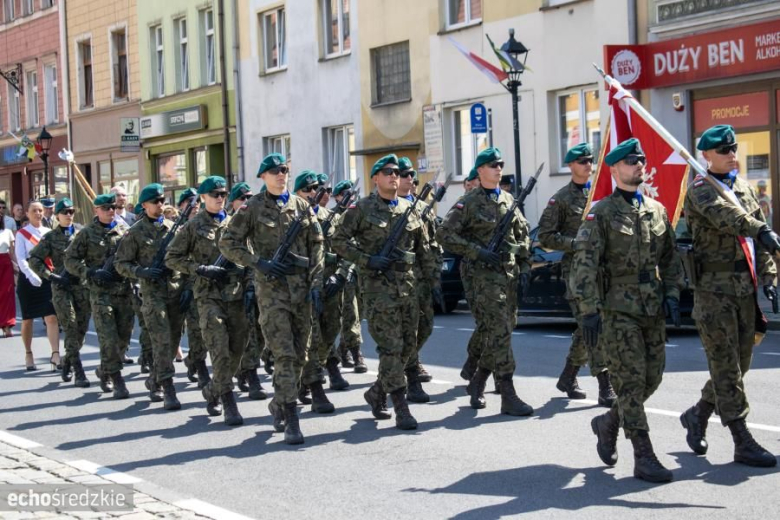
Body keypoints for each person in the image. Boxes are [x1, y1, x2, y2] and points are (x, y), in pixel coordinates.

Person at [571, 138, 684, 483]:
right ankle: (644, 455)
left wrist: (673, 293)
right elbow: (584, 264)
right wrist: (589, 309)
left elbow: (670, 258)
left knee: (653, 377)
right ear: (615, 168)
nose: (639, 164)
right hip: (617, 309)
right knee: (631, 382)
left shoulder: (656, 210)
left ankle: (607, 423)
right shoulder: (601, 213)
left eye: (642, 159)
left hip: (652, 307)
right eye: (632, 160)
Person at [680, 125, 779, 468]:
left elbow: (757, 240)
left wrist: (769, 277)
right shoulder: (700, 190)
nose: (732, 154)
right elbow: (730, 219)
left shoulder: (744, 189)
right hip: (713, 291)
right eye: (723, 150)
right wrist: (761, 230)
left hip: (743, 289)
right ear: (706, 155)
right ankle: (741, 439)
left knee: (741, 364)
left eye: (734, 148)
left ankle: (698, 413)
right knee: (726, 367)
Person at [220, 153, 324, 445]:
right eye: (275, 171)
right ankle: (291, 418)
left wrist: (316, 283)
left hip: (301, 291)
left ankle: (278, 401)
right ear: (263, 177)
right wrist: (257, 263)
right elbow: (227, 242)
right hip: (272, 293)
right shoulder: (252, 208)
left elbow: (317, 246)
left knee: (301, 356)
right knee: (284, 354)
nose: (281, 175)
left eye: (285, 170)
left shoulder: (302, 206)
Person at [332, 154, 436, 431]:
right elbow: (337, 239)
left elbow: (423, 249)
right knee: (391, 348)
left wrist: (432, 283)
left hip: (410, 288)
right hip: (379, 290)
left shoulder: (410, 207)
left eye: (397, 172)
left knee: (407, 348)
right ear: (375, 178)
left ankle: (377, 392)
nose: (394, 176)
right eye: (387, 171)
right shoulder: (361, 209)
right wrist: (366, 259)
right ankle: (401, 407)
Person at [438, 149, 533, 418]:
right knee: (500, 330)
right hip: (481, 277)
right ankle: (507, 392)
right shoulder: (467, 203)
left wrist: (524, 265)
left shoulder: (508, 200)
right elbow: (444, 234)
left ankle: (478, 380)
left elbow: (523, 234)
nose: (498, 168)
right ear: (480, 171)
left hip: (508, 275)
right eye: (493, 165)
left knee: (501, 329)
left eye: (500, 164)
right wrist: (476, 251)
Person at [167, 176, 252, 426]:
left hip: (235, 295)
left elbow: (249, 255)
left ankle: (212, 390)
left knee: (238, 350)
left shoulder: (236, 224)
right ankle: (228, 401)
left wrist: (249, 288)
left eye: (223, 194)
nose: (219, 198)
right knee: (220, 350)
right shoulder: (193, 227)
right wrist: (200, 269)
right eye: (214, 194)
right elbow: (172, 258)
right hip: (208, 296)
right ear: (203, 198)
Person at [537, 143, 616, 406]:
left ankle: (568, 375)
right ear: (570, 165)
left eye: (590, 160)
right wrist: (575, 243)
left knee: (588, 327)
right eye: (581, 161)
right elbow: (545, 236)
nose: (587, 164)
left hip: (603, 271)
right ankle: (605, 385)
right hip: (577, 274)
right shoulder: (560, 199)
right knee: (593, 326)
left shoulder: (603, 194)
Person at [115, 183, 185, 411]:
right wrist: (141, 272)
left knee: (174, 340)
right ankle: (168, 387)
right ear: (144, 205)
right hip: (152, 294)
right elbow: (121, 263)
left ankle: (154, 378)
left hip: (174, 291)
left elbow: (185, 258)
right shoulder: (134, 233)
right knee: (162, 340)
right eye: (155, 202)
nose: (159, 205)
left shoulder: (173, 229)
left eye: (162, 200)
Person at [65, 193, 133, 399]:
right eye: (105, 208)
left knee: (124, 338)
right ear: (96, 210)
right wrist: (90, 272)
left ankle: (104, 369)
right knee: (108, 338)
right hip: (100, 293)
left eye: (112, 207)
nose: (110, 210)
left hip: (123, 291)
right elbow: (70, 260)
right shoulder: (85, 234)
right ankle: (116, 377)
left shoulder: (125, 230)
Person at [294, 170, 347, 412]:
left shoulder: (330, 216)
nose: (313, 194)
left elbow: (347, 247)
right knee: (311, 338)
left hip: (329, 286)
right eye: (307, 190)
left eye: (315, 189)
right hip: (302, 288)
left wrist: (341, 273)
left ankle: (308, 376)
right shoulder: (292, 219)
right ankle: (316, 389)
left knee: (330, 333)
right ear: (297, 194)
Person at [28, 198, 91, 387]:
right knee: (70, 326)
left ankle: (67, 362)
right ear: (57, 216)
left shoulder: (82, 234)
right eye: (65, 212)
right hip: (62, 287)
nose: (69, 215)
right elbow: (35, 259)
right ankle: (78, 370)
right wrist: (51, 276)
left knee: (81, 328)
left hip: (81, 286)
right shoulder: (51, 237)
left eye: (71, 212)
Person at [397, 157, 443, 403]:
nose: (410, 181)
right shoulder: (390, 206)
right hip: (400, 279)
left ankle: (409, 360)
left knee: (425, 326)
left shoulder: (421, 207)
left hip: (422, 278)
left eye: (413, 178)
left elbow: (432, 242)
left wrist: (435, 275)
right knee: (407, 328)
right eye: (405, 176)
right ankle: (410, 375)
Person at [228, 182, 271, 397]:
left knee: (261, 334)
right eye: (242, 199)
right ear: (233, 202)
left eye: (249, 198)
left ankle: (245, 369)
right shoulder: (227, 226)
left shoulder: (257, 224)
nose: (246, 202)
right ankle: (251, 374)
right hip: (233, 291)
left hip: (258, 286)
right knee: (246, 335)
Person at [15, 200, 61, 372]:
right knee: (27, 320)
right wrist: (31, 274)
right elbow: (20, 258)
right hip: (28, 279)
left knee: (51, 316)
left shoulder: (49, 232)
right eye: (34, 210)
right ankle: (28, 353)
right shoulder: (22, 234)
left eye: (40, 210)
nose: (38, 213)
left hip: (46, 276)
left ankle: (55, 354)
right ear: (27, 213)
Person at [332, 180, 367, 373]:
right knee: (350, 314)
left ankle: (343, 349)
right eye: (345, 193)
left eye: (352, 193)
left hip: (360, 271)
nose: (349, 196)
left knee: (358, 315)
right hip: (342, 273)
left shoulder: (358, 216)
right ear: (337, 197)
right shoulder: (332, 218)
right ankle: (356, 353)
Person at [176, 188, 210, 387]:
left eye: (197, 200)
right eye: (190, 200)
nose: (195, 204)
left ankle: (196, 361)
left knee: (203, 331)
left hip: (201, 285)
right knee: (192, 331)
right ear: (182, 205)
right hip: (179, 287)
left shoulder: (204, 224)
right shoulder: (175, 228)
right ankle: (197, 363)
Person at [0, 210, 17, 338]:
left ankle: (7, 325)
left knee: (7, 294)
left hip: (5, 263)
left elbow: (12, 252)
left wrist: (19, 267)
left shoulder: (8, 232)